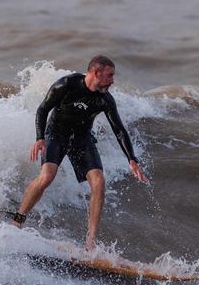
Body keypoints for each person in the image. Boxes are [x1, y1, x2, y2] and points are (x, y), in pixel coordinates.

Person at [11, 55, 149, 251]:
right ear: (96, 73)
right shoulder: (66, 84)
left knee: (99, 181)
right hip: (56, 134)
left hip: (82, 139)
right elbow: (43, 109)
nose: (112, 80)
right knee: (47, 176)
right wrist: (40, 137)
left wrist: (132, 159)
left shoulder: (105, 100)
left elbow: (119, 130)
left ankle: (90, 243)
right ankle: (17, 221)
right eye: (109, 76)